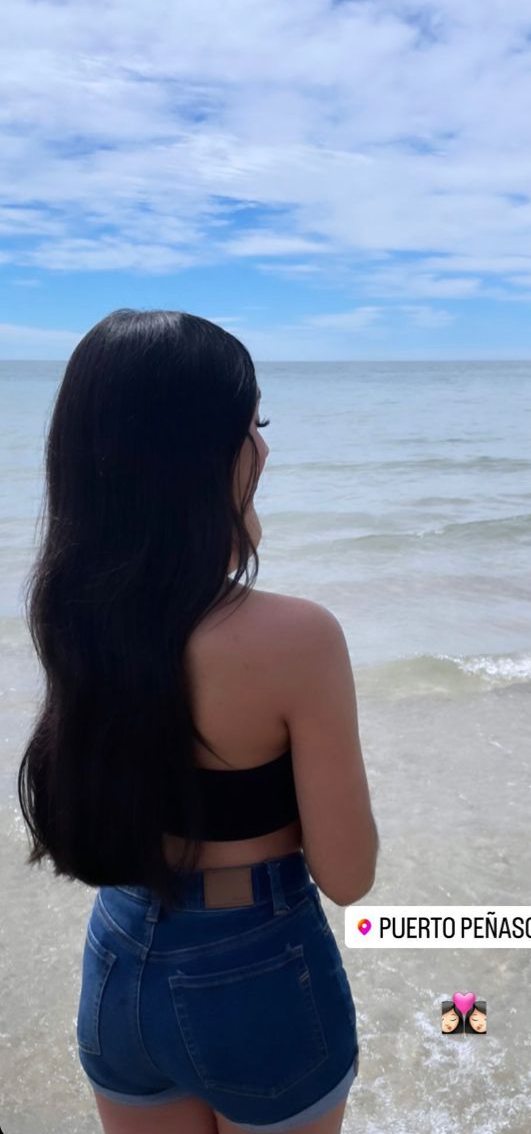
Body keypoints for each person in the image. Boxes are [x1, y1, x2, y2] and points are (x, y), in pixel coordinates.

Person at [17, 309, 380, 1134]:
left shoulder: (72, 612)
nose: (262, 445)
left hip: (118, 954)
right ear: (210, 455)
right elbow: (348, 874)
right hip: (255, 964)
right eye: (254, 424)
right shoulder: (297, 637)